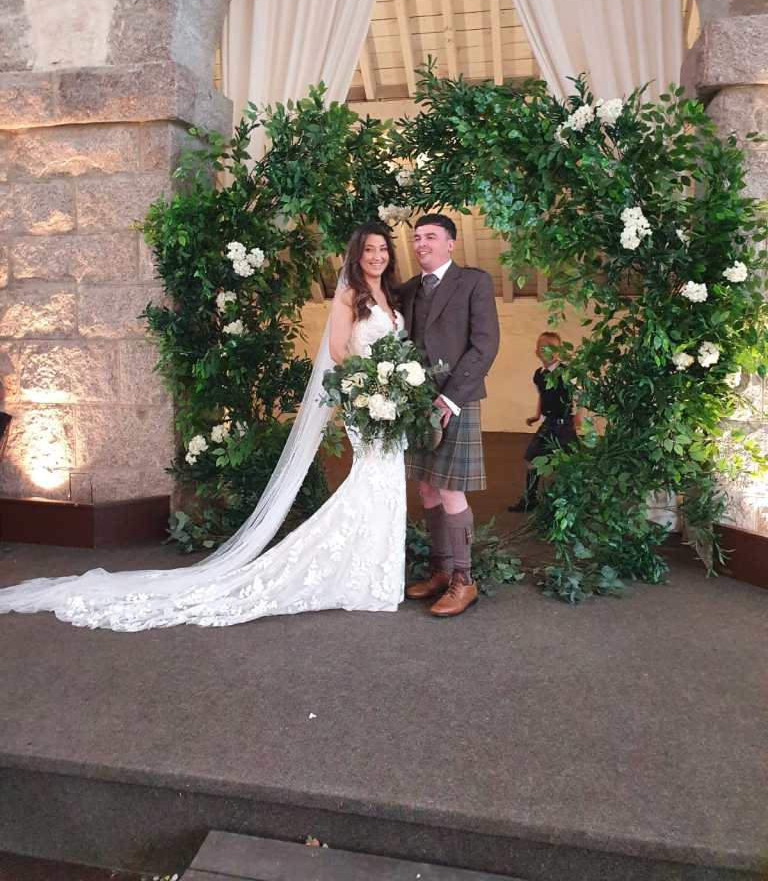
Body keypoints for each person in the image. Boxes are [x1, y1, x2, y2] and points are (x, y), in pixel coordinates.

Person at [0, 222, 409, 630]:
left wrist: (396, 381)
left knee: (385, 483)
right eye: (369, 249)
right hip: (365, 400)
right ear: (356, 256)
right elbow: (338, 351)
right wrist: (375, 382)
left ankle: (372, 572)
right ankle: (359, 573)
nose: (377, 256)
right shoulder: (349, 296)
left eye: (382, 249)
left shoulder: (387, 295)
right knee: (376, 479)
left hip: (387, 400)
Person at [398, 214, 500, 617]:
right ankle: (439, 570)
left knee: (450, 490)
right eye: (416, 237)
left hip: (456, 400)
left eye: (430, 237)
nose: (421, 243)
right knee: (426, 488)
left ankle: (464, 579)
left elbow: (485, 345)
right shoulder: (408, 289)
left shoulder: (474, 282)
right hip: (417, 404)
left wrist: (449, 400)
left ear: (451, 243)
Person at [508, 331, 579, 513]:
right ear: (537, 352)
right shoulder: (539, 375)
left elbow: (579, 396)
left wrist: (577, 419)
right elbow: (542, 396)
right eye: (542, 347)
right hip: (549, 422)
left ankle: (572, 502)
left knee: (570, 463)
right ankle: (530, 500)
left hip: (565, 424)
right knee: (531, 459)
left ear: (559, 351)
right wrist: (537, 414)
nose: (546, 351)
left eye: (551, 347)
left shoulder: (567, 372)